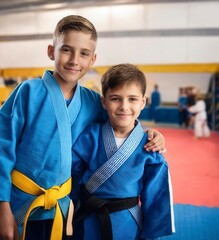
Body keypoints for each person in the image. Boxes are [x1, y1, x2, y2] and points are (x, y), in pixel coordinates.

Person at [0, 15, 166, 240]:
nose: (75, 60)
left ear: (92, 59)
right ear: (51, 51)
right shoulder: (27, 93)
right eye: (66, 50)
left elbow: (122, 121)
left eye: (84, 53)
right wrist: (0, 209)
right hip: (21, 205)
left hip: (66, 210)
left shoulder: (94, 102)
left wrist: (149, 135)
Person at [72, 64, 175, 240]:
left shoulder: (150, 148)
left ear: (143, 102)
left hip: (127, 223)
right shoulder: (90, 136)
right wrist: (67, 214)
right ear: (104, 102)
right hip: (87, 219)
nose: (124, 106)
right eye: (115, 99)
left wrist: (150, 236)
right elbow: (71, 179)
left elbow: (157, 197)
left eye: (132, 99)